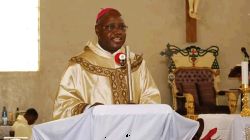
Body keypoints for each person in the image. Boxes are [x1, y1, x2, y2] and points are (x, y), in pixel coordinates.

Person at [53, 8, 161, 120]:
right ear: (97, 30)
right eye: (110, 27)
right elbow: (63, 104)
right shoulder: (79, 66)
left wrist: (139, 111)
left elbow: (152, 97)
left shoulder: (136, 63)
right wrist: (89, 110)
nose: (118, 32)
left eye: (122, 27)